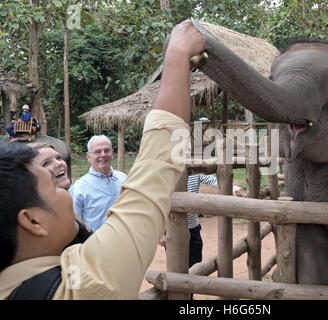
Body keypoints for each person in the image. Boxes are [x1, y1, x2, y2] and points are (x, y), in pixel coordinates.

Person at [0, 19, 205, 299]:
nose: (67, 194)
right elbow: (153, 177)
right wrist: (178, 54)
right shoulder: (84, 285)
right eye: (51, 184)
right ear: (33, 221)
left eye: (107, 150)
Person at [159, 175, 245, 268]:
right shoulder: (169, 170)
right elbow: (159, 203)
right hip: (172, 229)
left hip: (193, 227)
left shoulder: (194, 168)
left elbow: (211, 179)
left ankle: (193, 281)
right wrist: (161, 233)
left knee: (195, 263)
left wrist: (231, 187)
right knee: (176, 264)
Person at [68, 135, 127, 232]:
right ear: (88, 156)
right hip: (96, 244)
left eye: (106, 150)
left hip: (125, 241)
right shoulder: (79, 188)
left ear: (112, 153)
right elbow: (73, 225)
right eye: (97, 152)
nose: (103, 155)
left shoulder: (123, 179)